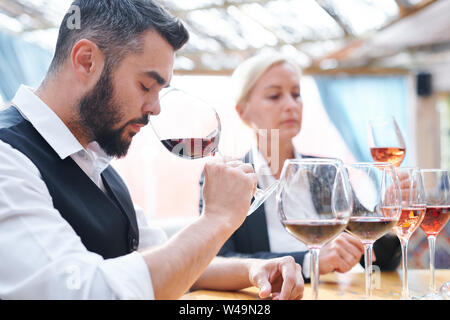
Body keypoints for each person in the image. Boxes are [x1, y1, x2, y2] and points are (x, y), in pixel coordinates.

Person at [0, 0, 304, 300]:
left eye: (161, 91)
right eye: (146, 86)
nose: (156, 109)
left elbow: (169, 262)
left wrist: (254, 268)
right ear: (85, 61)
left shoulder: (94, 163)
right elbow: (85, 291)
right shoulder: (7, 157)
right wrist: (216, 219)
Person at [199, 52, 401, 281]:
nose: (290, 105)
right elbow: (213, 262)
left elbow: (381, 258)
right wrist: (309, 261)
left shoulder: (328, 174)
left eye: (296, 94)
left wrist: (389, 214)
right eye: (275, 96)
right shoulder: (226, 178)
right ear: (242, 112)